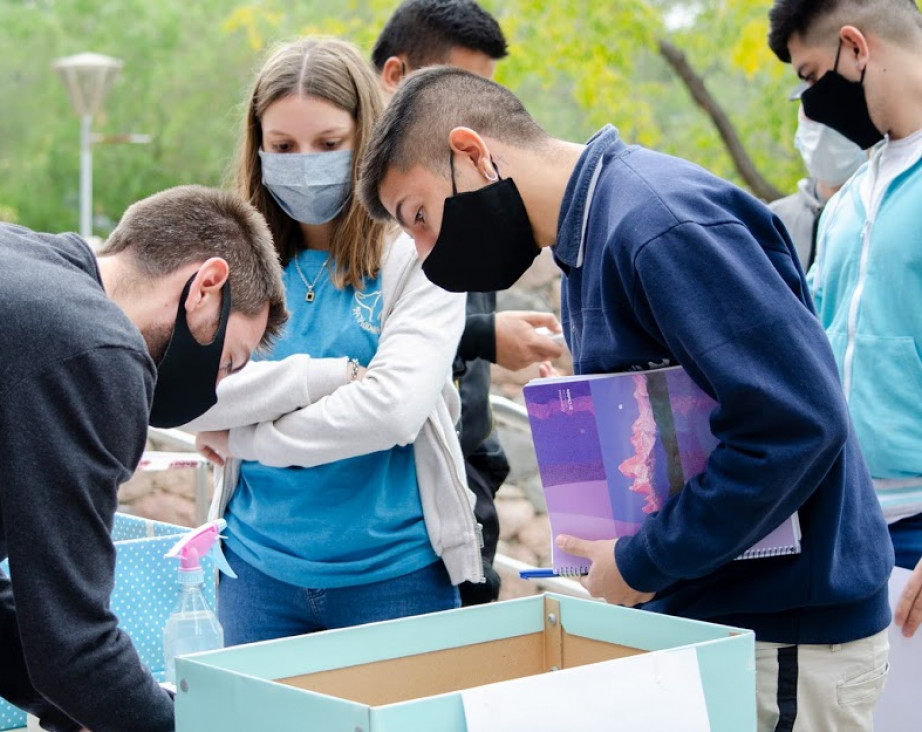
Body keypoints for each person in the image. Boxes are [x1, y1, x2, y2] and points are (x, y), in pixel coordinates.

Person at [357, 66, 893, 732]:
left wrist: (641, 564)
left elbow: (796, 425)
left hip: (780, 636)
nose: (427, 253)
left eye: (421, 217)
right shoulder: (591, 237)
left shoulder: (659, 226)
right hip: (714, 618)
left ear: (471, 153)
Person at [0, 186, 288, 732]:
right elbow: (74, 644)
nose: (216, 385)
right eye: (227, 360)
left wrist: (81, 708)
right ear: (206, 286)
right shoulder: (94, 349)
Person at [183, 38, 482, 646]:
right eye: (283, 146)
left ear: (365, 138)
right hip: (254, 576)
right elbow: (182, 395)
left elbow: (392, 411)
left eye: (327, 144)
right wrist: (329, 378)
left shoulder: (422, 253)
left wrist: (244, 434)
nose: (304, 162)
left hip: (396, 581)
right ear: (257, 145)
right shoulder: (225, 259)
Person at [372, 0, 564, 606]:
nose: (478, 118)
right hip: (401, 515)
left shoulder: (468, 183)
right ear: (398, 80)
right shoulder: (352, 213)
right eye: (458, 88)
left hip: (469, 486)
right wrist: (484, 335)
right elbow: (355, 347)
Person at [769, 0, 922, 648]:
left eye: (810, 75)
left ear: (855, 49)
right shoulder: (849, 199)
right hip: (849, 526)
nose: (810, 101)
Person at [769, 102, 867, 270]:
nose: (823, 124)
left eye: (840, 110)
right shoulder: (773, 221)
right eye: (810, 107)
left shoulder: (886, 213)